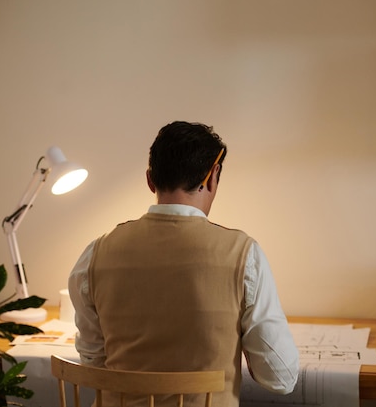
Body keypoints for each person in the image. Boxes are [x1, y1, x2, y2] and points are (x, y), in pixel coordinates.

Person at [68, 121, 299, 407]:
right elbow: (280, 378)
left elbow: (93, 363)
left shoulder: (95, 254)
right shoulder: (243, 255)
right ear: (212, 177)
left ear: (150, 179)